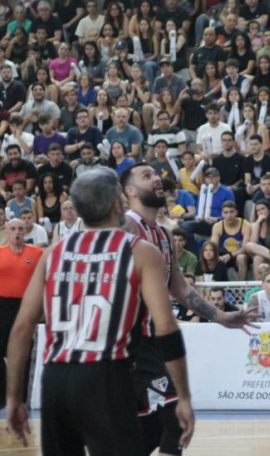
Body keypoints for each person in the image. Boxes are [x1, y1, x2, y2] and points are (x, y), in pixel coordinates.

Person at [4, 169, 195, 454]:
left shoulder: (54, 252)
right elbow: (166, 327)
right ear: (118, 203)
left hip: (55, 379)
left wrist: (13, 398)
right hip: (106, 376)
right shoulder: (139, 251)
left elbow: (22, 327)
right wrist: (183, 396)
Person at [120, 162, 257, 454]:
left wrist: (220, 316)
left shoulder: (165, 235)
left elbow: (179, 288)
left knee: (151, 429)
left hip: (154, 341)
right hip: (131, 343)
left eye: (156, 173)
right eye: (146, 176)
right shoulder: (125, 226)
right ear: (130, 191)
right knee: (175, 420)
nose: (156, 177)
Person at [0, 218, 42, 405]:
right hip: (2, 306)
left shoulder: (37, 253)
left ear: (26, 232)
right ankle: (2, 395)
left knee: (24, 351)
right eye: (13, 229)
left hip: (26, 306)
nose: (17, 232)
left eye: (20, 229)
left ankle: (24, 395)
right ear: (6, 232)